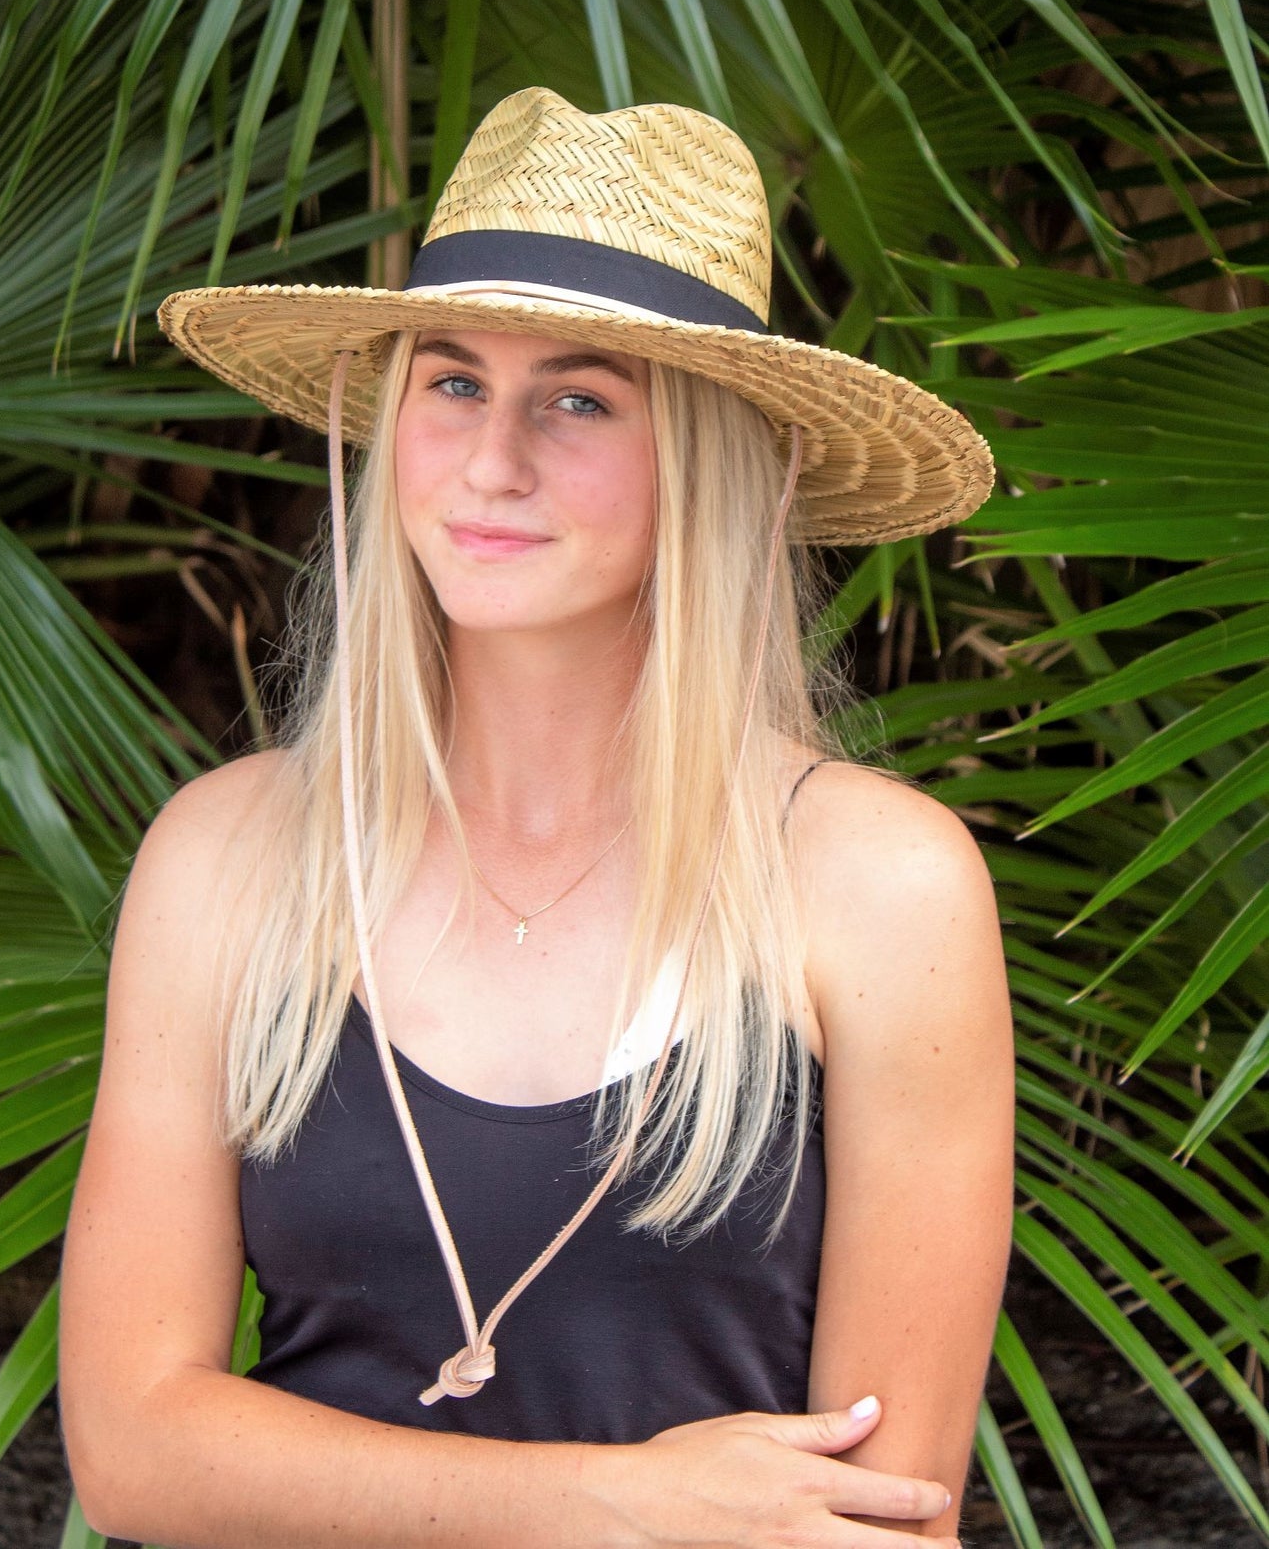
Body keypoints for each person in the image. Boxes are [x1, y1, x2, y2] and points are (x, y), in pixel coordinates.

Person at [60, 87, 1014, 1548]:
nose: (491, 460)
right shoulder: (232, 858)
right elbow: (133, 1448)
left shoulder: (873, 883)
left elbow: (877, 1515)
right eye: (450, 384)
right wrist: (622, 1505)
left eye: (577, 399)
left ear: (706, 459)